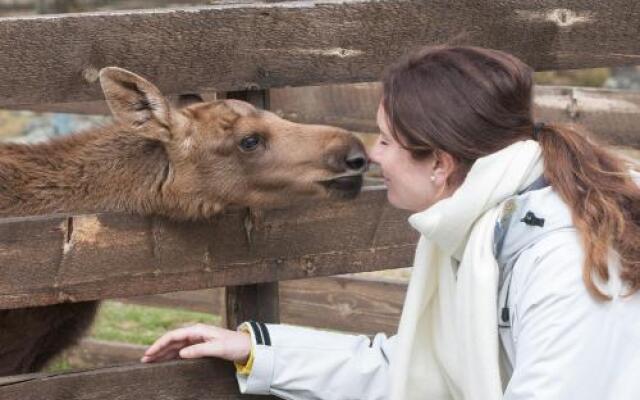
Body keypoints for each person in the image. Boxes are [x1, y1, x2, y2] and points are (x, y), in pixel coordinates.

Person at [141, 46, 640, 400]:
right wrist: (255, 350)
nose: (373, 156)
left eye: (385, 141)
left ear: (440, 164)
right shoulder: (494, 224)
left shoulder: (566, 258)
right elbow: (416, 372)